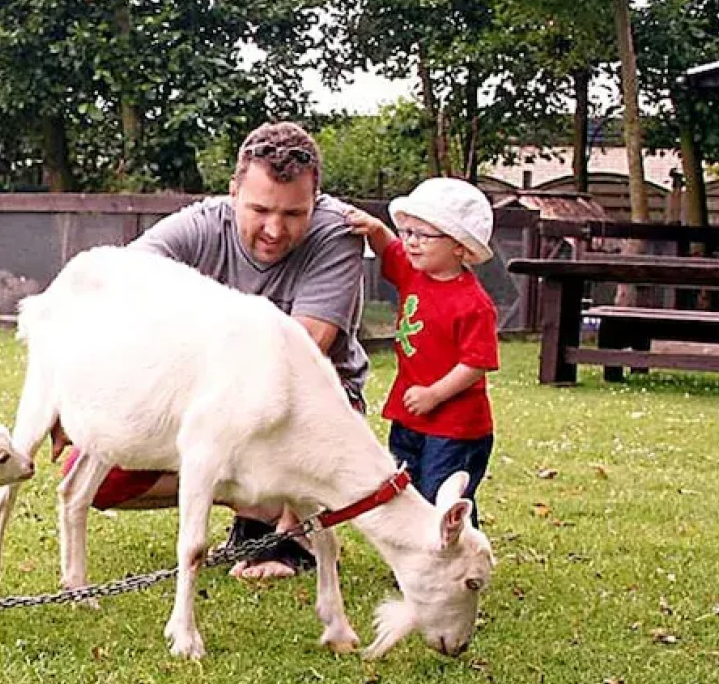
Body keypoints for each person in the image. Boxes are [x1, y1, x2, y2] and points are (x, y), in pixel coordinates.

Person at [62, 122, 370, 579]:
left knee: (275, 406)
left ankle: (293, 528)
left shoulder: (338, 234)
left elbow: (296, 356)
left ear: (316, 199)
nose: (274, 229)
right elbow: (117, 282)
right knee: (100, 471)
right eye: (260, 209)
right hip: (208, 397)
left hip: (303, 403)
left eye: (293, 214)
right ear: (233, 192)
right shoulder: (201, 223)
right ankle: (257, 504)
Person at [344, 177, 498, 516]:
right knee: (405, 488)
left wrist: (435, 394)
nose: (411, 242)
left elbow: (477, 362)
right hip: (410, 414)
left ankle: (457, 555)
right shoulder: (414, 272)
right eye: (408, 232)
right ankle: (420, 554)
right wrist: (374, 227)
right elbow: (388, 246)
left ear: (460, 246)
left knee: (442, 494)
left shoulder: (473, 303)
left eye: (423, 235)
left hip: (454, 425)